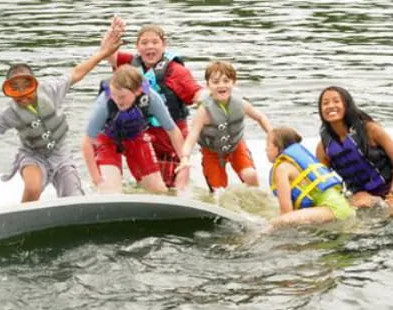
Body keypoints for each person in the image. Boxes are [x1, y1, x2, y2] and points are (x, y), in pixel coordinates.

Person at [0, 22, 124, 203]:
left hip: (61, 153)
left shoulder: (50, 90)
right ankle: (23, 217)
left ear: (35, 84)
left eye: (27, 86)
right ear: (9, 91)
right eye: (15, 89)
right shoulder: (9, 112)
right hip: (32, 155)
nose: (22, 94)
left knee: (74, 197)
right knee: (32, 187)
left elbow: (77, 72)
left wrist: (104, 53)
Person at [104, 19, 203, 188]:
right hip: (144, 134)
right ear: (137, 47)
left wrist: (209, 101)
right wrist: (113, 34)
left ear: (164, 45)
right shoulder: (130, 64)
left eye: (155, 42)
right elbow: (108, 54)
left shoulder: (176, 71)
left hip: (171, 137)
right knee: (148, 184)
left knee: (171, 184)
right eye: (144, 43)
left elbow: (197, 93)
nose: (150, 47)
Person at [81, 64, 185, 194]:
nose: (117, 100)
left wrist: (184, 159)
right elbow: (87, 143)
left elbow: (172, 130)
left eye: (122, 96)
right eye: (114, 95)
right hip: (107, 140)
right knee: (110, 192)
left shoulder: (151, 99)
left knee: (159, 191)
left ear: (138, 91)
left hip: (136, 138)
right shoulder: (104, 103)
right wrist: (96, 177)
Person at [176, 60, 272, 193]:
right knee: (219, 191)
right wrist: (185, 158)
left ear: (233, 83)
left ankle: (257, 201)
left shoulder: (241, 104)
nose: (221, 85)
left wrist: (272, 135)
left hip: (236, 146)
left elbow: (260, 117)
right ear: (208, 85)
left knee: (251, 175)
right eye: (216, 82)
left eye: (226, 81)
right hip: (212, 152)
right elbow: (192, 136)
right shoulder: (204, 111)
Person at [315, 86, 393, 209]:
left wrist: (391, 195)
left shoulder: (371, 130)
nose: (330, 106)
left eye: (336, 101)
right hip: (359, 197)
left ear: (347, 105)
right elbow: (322, 182)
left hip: (388, 190)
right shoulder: (323, 148)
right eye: (325, 103)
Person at [266, 127, 354, 228]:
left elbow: (286, 212)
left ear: (278, 147)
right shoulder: (297, 163)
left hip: (332, 210)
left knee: (278, 222)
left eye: (268, 145)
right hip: (343, 207)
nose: (265, 149)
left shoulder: (282, 168)